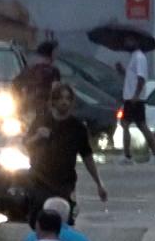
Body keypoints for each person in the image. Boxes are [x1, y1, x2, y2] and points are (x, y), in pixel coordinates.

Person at [23, 82, 106, 226]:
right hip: (40, 180)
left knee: (64, 221)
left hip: (65, 183)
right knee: (39, 220)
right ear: (53, 101)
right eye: (61, 98)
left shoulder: (77, 127)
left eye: (68, 99)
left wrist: (99, 183)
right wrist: (38, 136)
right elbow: (26, 144)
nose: (64, 102)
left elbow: (87, 156)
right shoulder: (42, 121)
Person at [120, 46, 155, 164]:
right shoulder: (134, 57)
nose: (126, 43)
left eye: (129, 40)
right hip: (131, 97)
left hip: (133, 98)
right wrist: (122, 71)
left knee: (126, 124)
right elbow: (132, 78)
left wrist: (136, 95)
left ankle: (128, 156)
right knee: (141, 125)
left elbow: (141, 78)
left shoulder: (139, 57)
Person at [11, 40, 62, 118]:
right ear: (50, 54)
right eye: (54, 52)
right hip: (43, 110)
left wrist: (20, 101)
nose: (56, 55)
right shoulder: (52, 71)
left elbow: (16, 84)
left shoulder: (31, 69)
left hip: (32, 109)